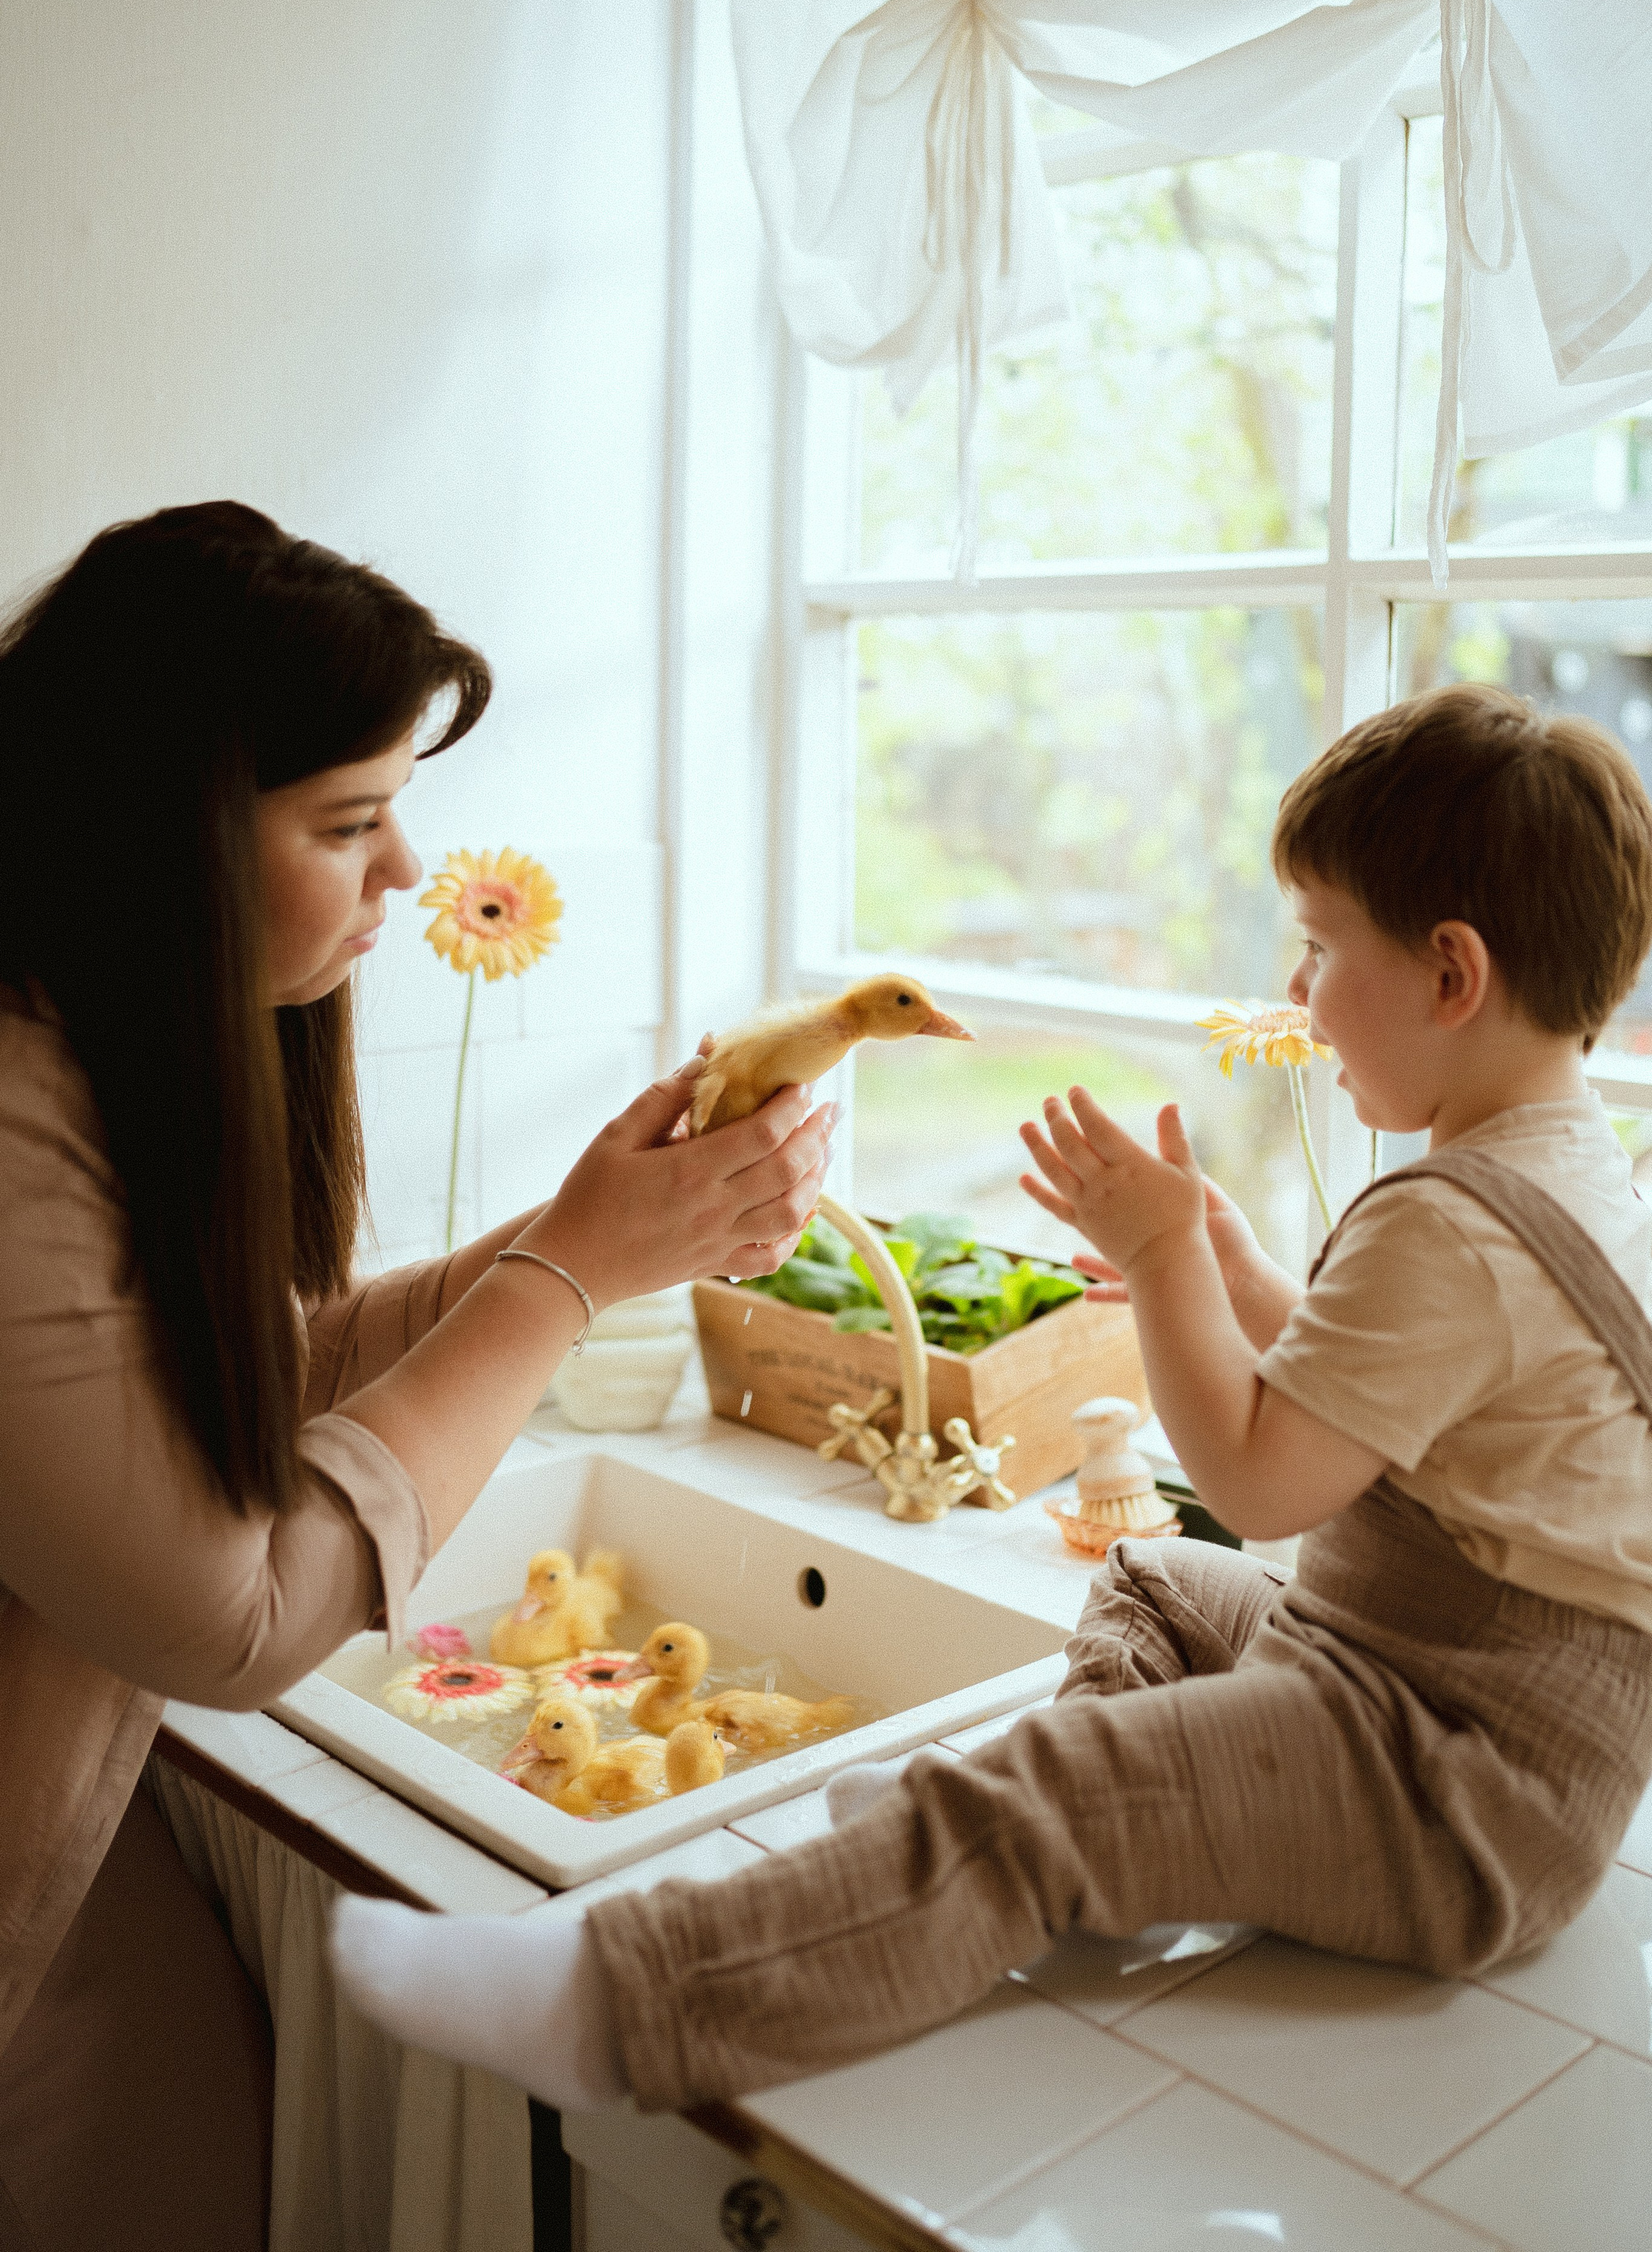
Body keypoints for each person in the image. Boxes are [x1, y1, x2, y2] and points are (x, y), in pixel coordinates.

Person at [333, 682, 1652, 2114]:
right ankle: (1129, 1864)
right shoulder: (1557, 1173)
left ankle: (622, 2004)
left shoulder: (1446, 1221)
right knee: (1152, 1580)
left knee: (1041, 1797)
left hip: (1451, 1790)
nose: (1296, 992)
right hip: (1435, 1711)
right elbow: (1353, 1390)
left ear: (1449, 976)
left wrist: (1159, 1265)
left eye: (1319, 948)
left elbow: (1267, 1483)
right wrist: (1221, 1256)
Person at [0, 501, 833, 2249]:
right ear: (166, 840)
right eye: (352, 822)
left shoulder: (88, 1049)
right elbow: (224, 1622)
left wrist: (578, 1238)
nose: (403, 873)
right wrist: (563, 1279)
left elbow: (213, 1387)